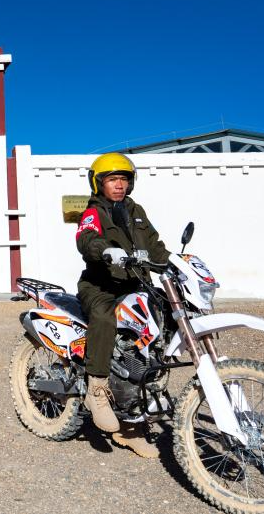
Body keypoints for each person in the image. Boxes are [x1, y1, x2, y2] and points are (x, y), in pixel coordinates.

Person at [75, 152, 169, 458]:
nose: (119, 185)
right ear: (99, 183)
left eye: (124, 179)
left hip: (135, 284)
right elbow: (87, 239)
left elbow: (154, 244)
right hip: (101, 286)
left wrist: (174, 263)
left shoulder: (135, 210)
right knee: (104, 317)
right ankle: (96, 389)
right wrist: (105, 251)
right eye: (113, 179)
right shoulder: (94, 211)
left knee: (155, 332)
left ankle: (131, 424)